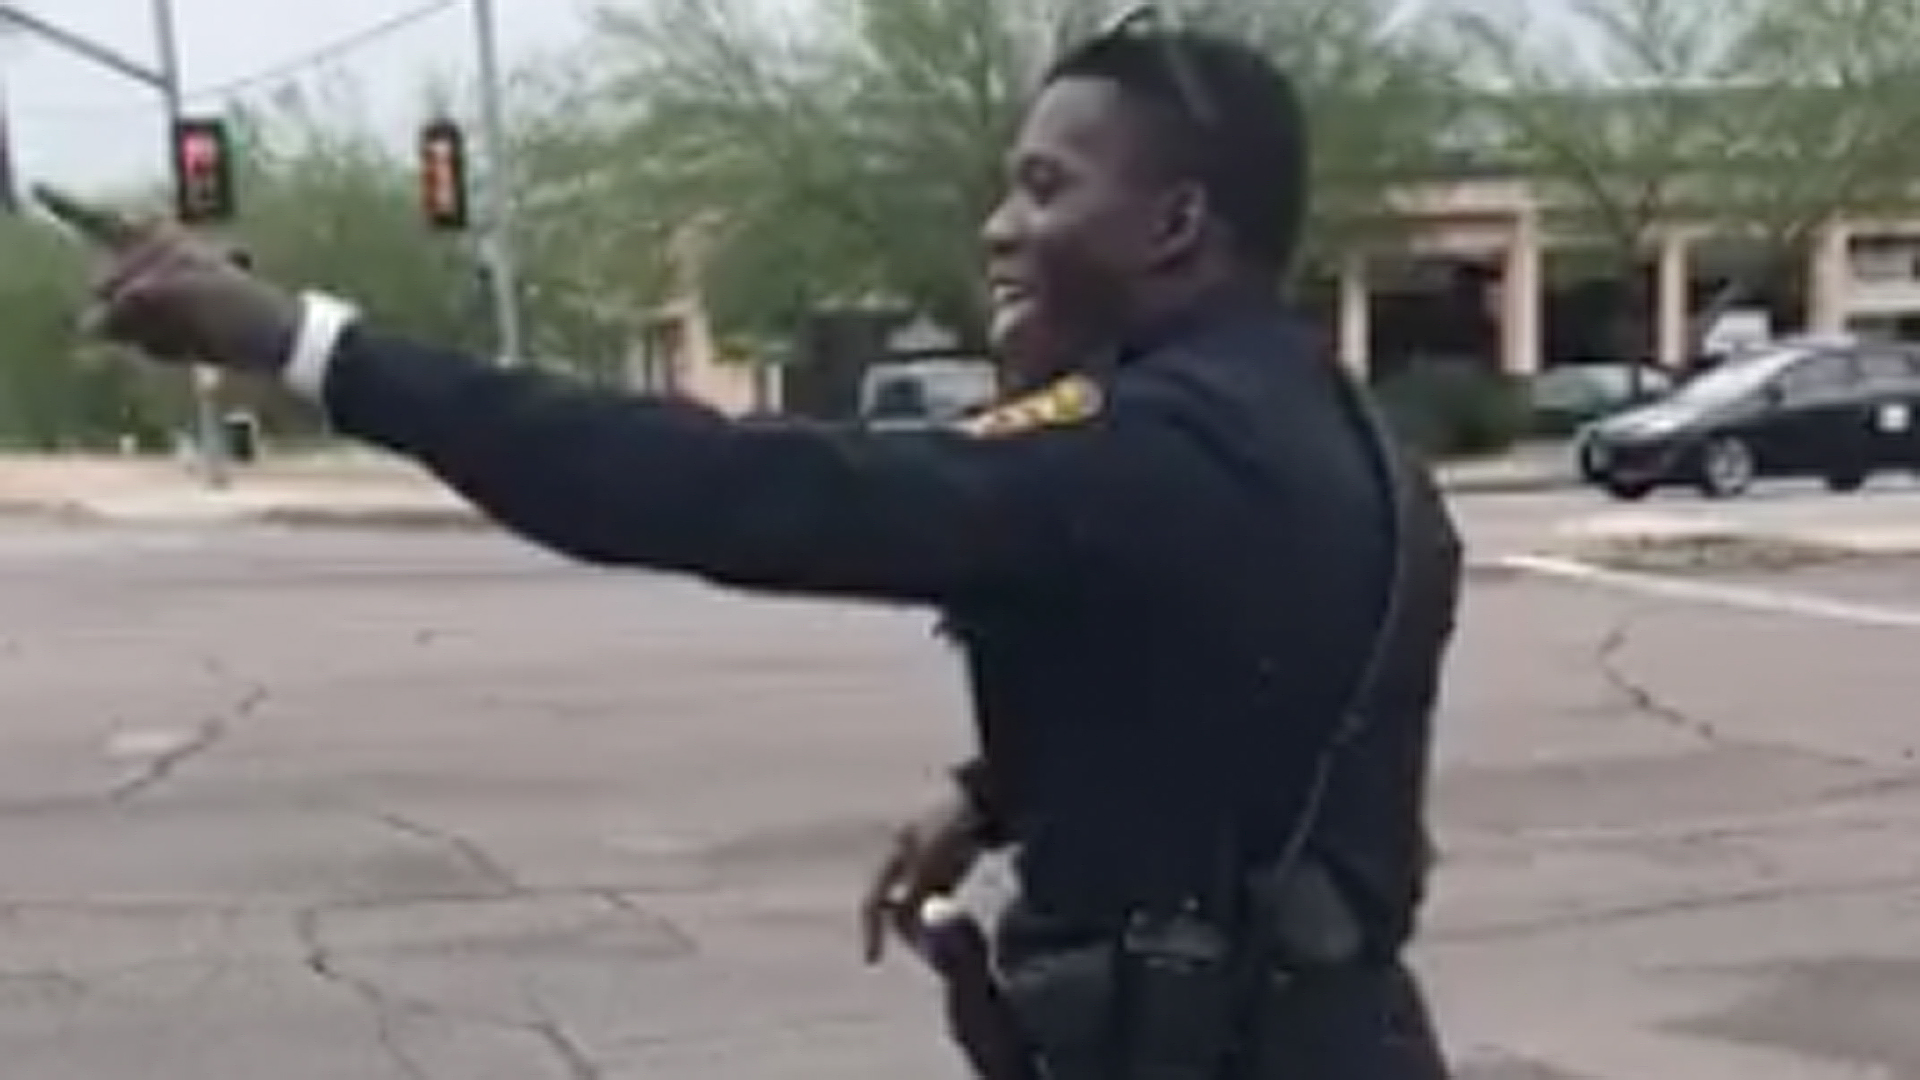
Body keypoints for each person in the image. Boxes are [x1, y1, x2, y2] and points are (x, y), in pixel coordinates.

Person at [63, 9, 1461, 1078]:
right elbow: (1223, 687)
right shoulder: (1345, 442)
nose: (1001, 224)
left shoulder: (1152, 451)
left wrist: (307, 346)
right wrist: (996, 793)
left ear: (1174, 224)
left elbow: (715, 488)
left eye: (1045, 187)